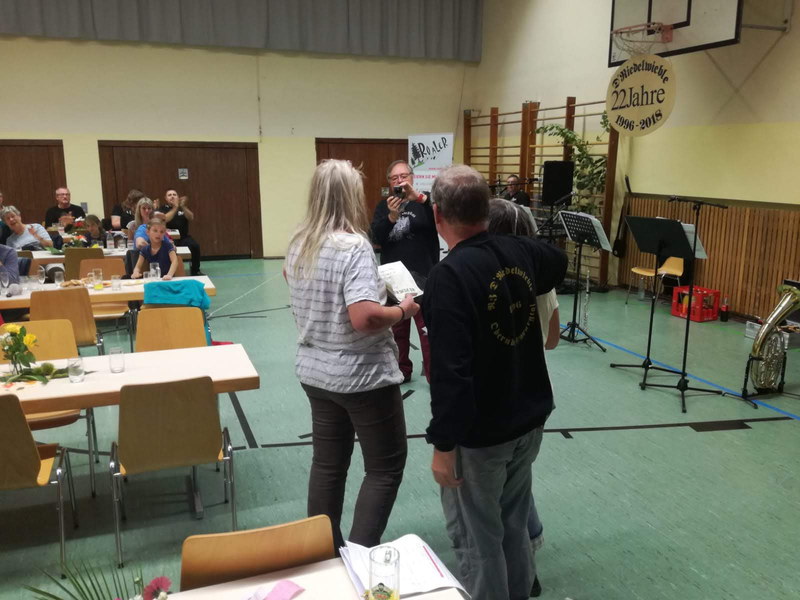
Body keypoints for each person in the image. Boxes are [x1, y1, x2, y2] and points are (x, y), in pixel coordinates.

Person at [423, 165, 567, 600]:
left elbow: (451, 373)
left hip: (483, 435)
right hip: (527, 421)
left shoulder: (449, 276)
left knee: (478, 539)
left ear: (437, 215)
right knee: (513, 527)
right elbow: (557, 261)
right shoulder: (518, 252)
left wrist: (443, 445)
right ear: (486, 210)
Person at [284, 159, 418, 550]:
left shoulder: (299, 242)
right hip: (362, 376)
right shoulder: (353, 246)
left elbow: (293, 280)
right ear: (350, 197)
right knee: (385, 467)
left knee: (328, 465)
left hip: (316, 373)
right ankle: (360, 557)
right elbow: (364, 317)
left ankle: (323, 552)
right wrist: (402, 310)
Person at [487, 197, 560, 597]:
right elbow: (552, 340)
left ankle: (514, 565)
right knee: (517, 480)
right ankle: (526, 554)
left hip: (499, 396)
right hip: (532, 394)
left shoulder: (484, 277)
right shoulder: (539, 276)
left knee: (495, 488)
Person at [370, 160, 438, 383]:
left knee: (427, 330)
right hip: (394, 278)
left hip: (423, 276)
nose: (399, 181)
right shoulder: (384, 206)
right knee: (397, 330)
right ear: (389, 183)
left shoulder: (425, 201)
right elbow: (375, 237)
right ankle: (401, 371)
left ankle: (434, 375)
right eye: (394, 178)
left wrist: (418, 198)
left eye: (403, 176)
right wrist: (391, 217)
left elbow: (442, 218)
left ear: (412, 178)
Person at [159, 189, 204, 276]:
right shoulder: (163, 208)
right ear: (166, 198)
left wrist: (183, 207)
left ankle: (195, 270)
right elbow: (165, 219)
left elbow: (191, 217)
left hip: (184, 237)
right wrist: (175, 208)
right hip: (169, 238)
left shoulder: (182, 208)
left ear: (178, 197)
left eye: (174, 195)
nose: (172, 196)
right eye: (169, 195)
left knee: (195, 246)